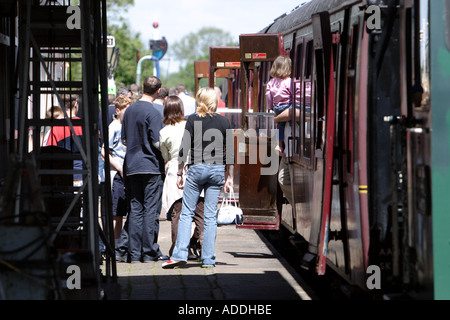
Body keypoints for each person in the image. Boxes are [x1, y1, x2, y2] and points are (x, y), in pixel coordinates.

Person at [162, 87, 234, 269]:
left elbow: (184, 148)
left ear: (200, 101)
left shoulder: (193, 120)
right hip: (217, 170)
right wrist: (229, 177)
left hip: (196, 169)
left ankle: (179, 254)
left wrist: (179, 172)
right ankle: (208, 259)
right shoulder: (225, 122)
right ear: (214, 101)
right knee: (210, 217)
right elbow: (231, 153)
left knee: (187, 213)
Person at [121, 76, 168, 263]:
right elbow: (157, 141)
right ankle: (149, 253)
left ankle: (133, 254)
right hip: (151, 166)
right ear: (158, 91)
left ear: (142, 88)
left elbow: (124, 140)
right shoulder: (154, 112)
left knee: (135, 210)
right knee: (150, 211)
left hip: (132, 165)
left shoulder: (129, 110)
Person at [158, 96, 205, 258]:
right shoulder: (190, 125)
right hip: (194, 169)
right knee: (200, 213)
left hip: (174, 171)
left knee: (177, 214)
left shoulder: (163, 132)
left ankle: (179, 251)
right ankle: (199, 244)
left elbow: (165, 155)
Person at [102, 95, 132, 242]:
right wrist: (118, 167)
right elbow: (104, 151)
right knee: (116, 211)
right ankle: (114, 242)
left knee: (122, 209)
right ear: (118, 110)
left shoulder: (127, 125)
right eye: (126, 111)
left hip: (126, 169)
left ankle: (120, 242)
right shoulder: (113, 127)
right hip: (116, 172)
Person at [45, 93, 83, 186]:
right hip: (83, 174)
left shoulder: (55, 128)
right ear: (76, 105)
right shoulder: (83, 126)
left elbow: (50, 153)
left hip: (64, 177)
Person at [265, 55, 296, 155]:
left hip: (277, 107)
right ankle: (294, 139)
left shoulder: (271, 82)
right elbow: (294, 95)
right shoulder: (289, 82)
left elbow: (268, 95)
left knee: (280, 125)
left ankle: (279, 145)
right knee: (293, 123)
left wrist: (270, 107)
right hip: (288, 106)